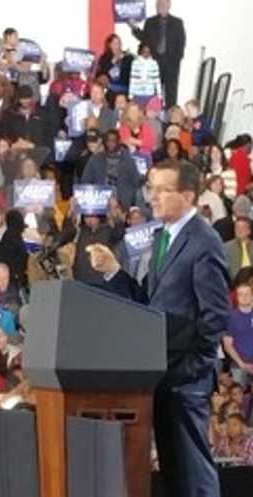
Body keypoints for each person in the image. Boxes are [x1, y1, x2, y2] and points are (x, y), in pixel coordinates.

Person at [88, 159, 229, 497]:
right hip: (160, 373)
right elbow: (147, 304)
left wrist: (191, 370)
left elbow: (215, 317)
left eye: (164, 190)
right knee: (176, 474)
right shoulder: (163, 238)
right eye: (152, 189)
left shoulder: (204, 241)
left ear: (189, 196)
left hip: (185, 379)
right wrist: (114, 271)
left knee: (194, 474)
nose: (153, 197)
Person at [130, 0, 186, 107]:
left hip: (171, 64)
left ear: (169, 5)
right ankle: (153, 121)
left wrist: (177, 59)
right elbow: (144, 39)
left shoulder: (178, 22)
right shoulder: (150, 22)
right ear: (156, 6)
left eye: (165, 4)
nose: (162, 6)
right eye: (160, 4)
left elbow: (181, 42)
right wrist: (134, 28)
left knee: (171, 94)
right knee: (153, 94)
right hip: (154, 64)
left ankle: (170, 121)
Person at [81, 130, 141, 210]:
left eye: (113, 141)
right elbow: (85, 181)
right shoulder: (95, 159)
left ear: (119, 141)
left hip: (123, 205)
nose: (110, 143)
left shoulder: (128, 160)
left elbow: (136, 182)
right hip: (99, 204)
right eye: (108, 141)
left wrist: (128, 197)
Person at [223, 281, 253, 389]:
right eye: (241, 294)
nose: (244, 297)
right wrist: (242, 364)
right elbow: (227, 345)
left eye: (247, 294)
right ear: (236, 297)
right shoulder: (230, 317)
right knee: (238, 400)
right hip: (238, 366)